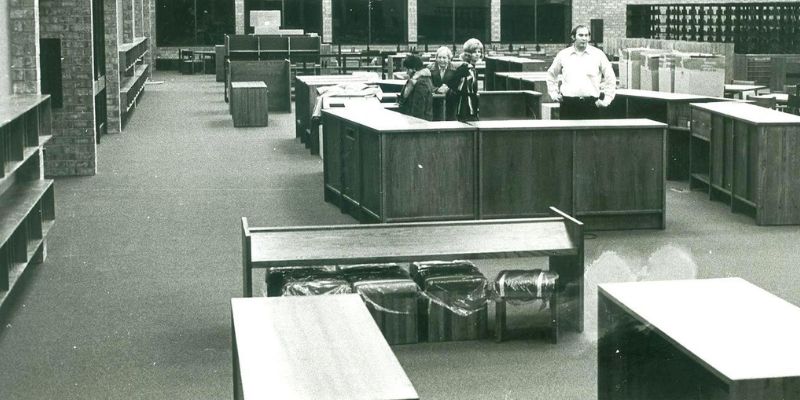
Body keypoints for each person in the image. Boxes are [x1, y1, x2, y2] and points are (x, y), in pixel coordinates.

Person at [545, 24, 616, 120]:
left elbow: (610, 77)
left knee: (590, 135)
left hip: (591, 105)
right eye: (581, 35)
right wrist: (553, 93)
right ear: (573, 37)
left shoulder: (598, 55)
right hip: (568, 105)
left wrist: (607, 100)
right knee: (567, 134)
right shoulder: (563, 55)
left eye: (586, 35)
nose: (584, 38)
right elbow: (551, 74)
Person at [452, 38, 483, 122]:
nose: (477, 54)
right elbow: (456, 87)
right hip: (464, 105)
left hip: (473, 103)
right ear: (468, 54)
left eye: (479, 52)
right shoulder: (464, 69)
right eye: (474, 52)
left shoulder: (474, 69)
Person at [398, 54, 435, 121]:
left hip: (419, 122)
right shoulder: (414, 79)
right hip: (413, 119)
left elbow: (418, 109)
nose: (407, 72)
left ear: (414, 69)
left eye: (407, 69)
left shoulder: (421, 83)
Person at [428, 46, 459, 120]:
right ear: (436, 58)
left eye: (444, 58)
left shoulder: (456, 70)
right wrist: (437, 90)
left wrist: (448, 90)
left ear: (449, 59)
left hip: (451, 101)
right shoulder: (429, 68)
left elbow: (458, 86)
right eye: (439, 57)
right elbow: (428, 84)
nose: (441, 60)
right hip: (434, 102)